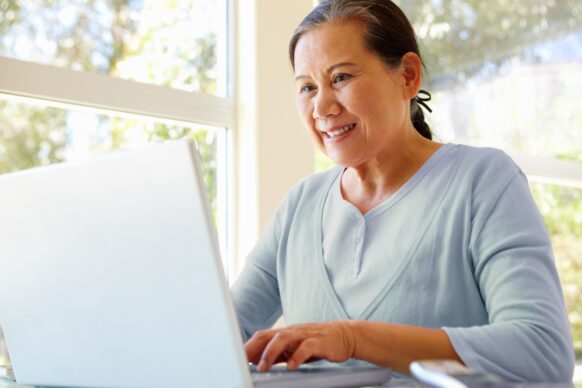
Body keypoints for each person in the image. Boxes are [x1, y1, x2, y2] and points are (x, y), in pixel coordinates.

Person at [231, 0, 574, 383]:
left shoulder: (483, 181)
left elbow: (542, 351)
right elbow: (219, 338)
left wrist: (352, 338)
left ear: (408, 76)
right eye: (307, 87)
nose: (322, 106)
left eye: (341, 78)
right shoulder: (299, 206)